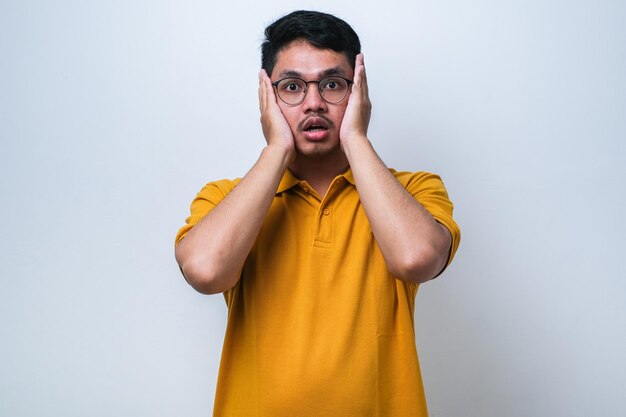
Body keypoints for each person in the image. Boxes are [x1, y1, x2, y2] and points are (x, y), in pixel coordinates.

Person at [175, 10, 460, 417]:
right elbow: (204, 271)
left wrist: (356, 136)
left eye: (332, 84)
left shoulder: (412, 192)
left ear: (359, 89)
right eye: (291, 86)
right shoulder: (226, 198)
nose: (313, 103)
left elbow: (416, 259)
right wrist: (276, 149)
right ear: (267, 96)